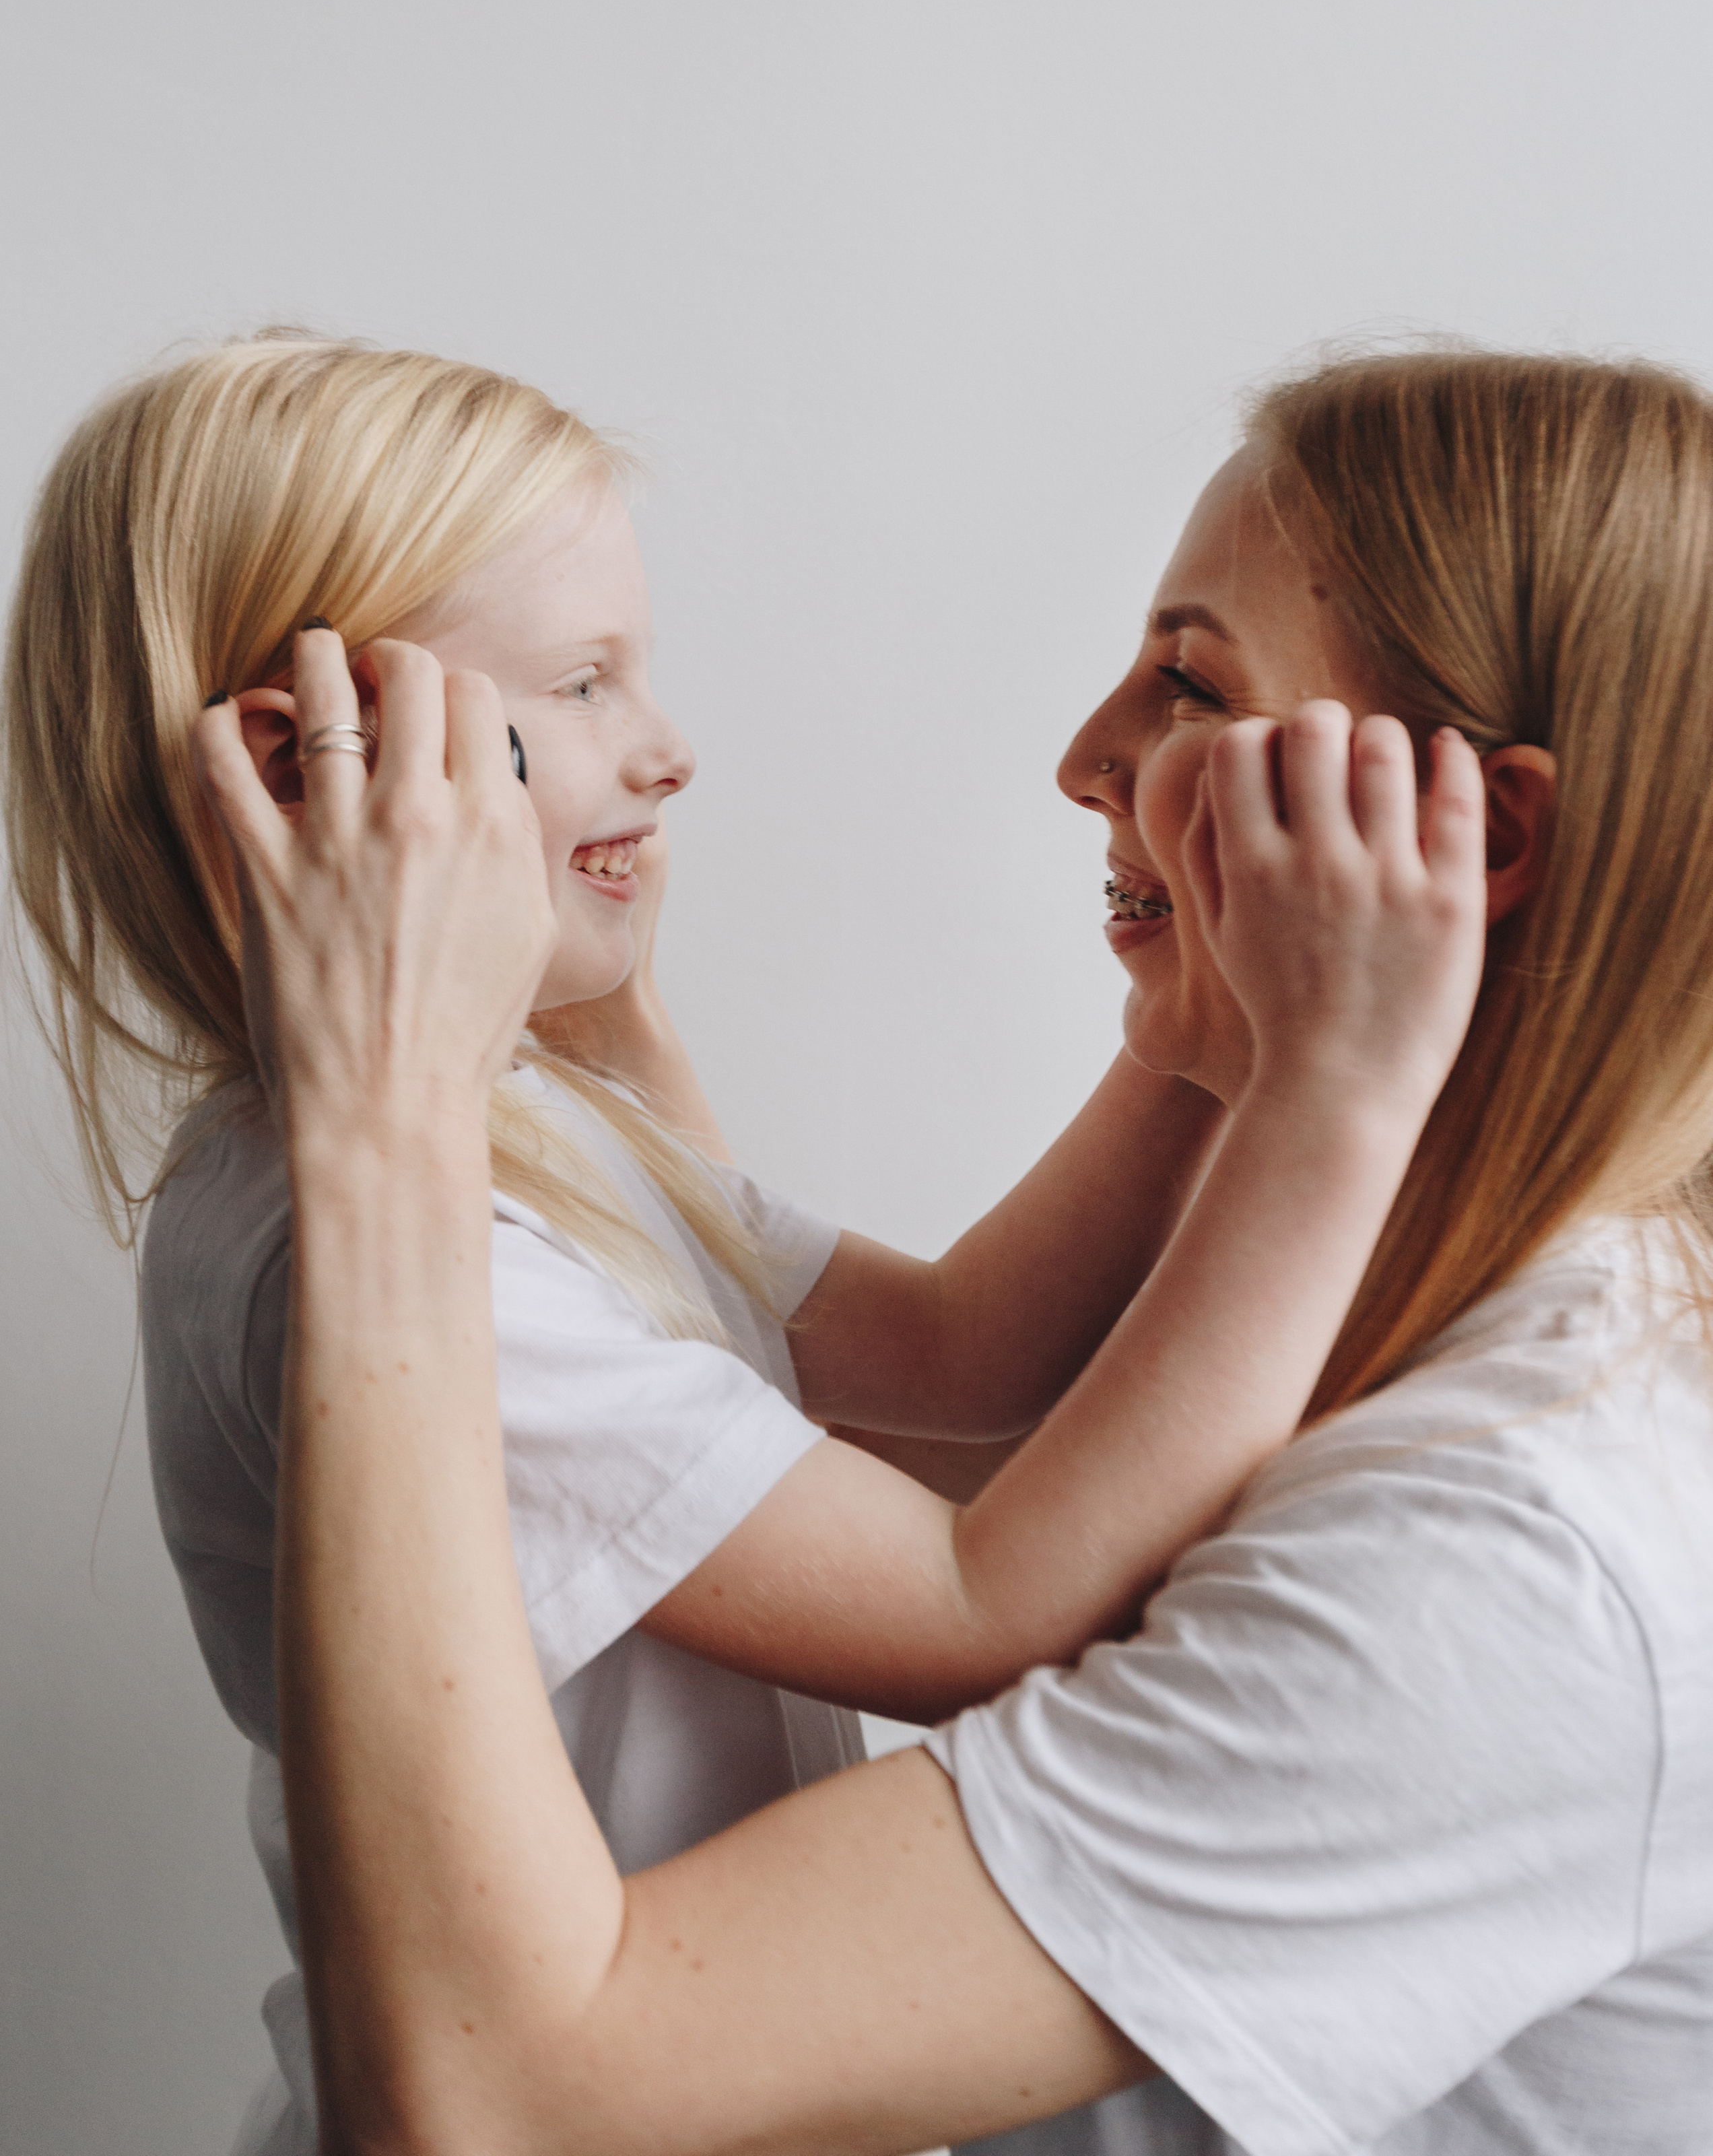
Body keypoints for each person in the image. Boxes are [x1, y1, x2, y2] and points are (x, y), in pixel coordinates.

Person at [189, 345, 1713, 2155]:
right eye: (583, 683)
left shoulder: (1530, 1548)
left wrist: (1300, 1065)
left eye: (1187, 683)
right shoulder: (394, 1196)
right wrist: (1232, 1030)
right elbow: (947, 1419)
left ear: (1487, 838)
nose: (1084, 762)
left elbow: (956, 1445)